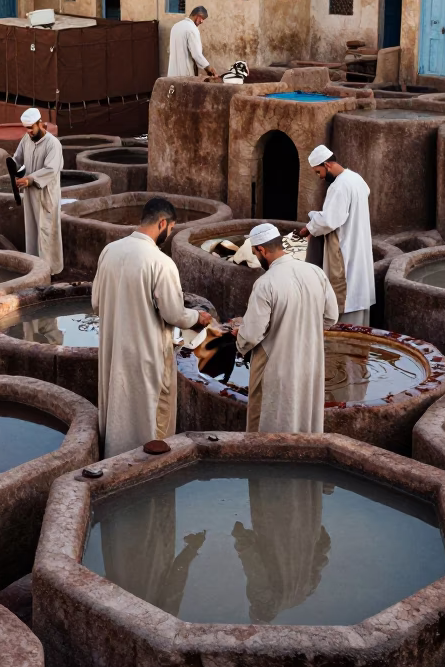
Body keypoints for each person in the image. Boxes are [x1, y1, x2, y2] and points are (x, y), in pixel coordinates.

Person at [92, 196, 212, 458]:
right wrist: (197, 318)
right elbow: (173, 313)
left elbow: (96, 303)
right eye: (171, 229)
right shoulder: (161, 262)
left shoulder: (110, 251)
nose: (169, 235)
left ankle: (112, 462)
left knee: (119, 408)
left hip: (114, 349)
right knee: (150, 418)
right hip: (147, 355)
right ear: (163, 223)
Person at [235, 222, 338, 434]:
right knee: (304, 415)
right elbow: (331, 317)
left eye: (255, 253)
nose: (256, 258)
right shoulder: (316, 272)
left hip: (275, 366)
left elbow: (252, 335)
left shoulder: (266, 283)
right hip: (310, 361)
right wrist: (304, 330)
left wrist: (240, 339)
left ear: (262, 250)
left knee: (268, 422)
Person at [297, 145, 375, 326]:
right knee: (358, 298)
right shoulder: (356, 179)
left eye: (319, 172)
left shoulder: (339, 185)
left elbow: (329, 220)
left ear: (327, 165)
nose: (321, 177)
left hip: (345, 250)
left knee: (345, 299)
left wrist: (309, 227)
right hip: (358, 246)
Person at [13, 108, 64, 275]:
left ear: (39, 123)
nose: (28, 132)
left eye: (31, 128)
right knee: (32, 231)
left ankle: (51, 271)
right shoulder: (26, 139)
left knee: (47, 232)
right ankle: (35, 269)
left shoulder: (53, 144)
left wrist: (30, 179)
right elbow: (17, 159)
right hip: (30, 195)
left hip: (46, 195)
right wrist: (14, 171)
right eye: (26, 129)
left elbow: (51, 169)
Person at [167, 6, 217, 78]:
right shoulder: (192, 29)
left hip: (172, 74)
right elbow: (197, 55)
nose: (202, 22)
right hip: (185, 75)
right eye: (202, 18)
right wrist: (208, 69)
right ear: (197, 15)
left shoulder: (175, 26)